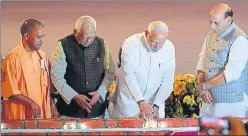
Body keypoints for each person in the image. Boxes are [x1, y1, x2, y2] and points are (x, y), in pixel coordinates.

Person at [51, 15, 115, 118]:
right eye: (85, 38)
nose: (89, 41)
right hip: (70, 112)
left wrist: (100, 92)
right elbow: (56, 77)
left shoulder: (101, 44)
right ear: (75, 32)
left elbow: (110, 71)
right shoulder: (62, 45)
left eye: (92, 37)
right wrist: (74, 96)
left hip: (98, 111)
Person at [108, 21, 176, 119]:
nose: (157, 47)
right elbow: (129, 75)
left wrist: (156, 105)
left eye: (162, 43)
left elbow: (167, 81)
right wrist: (141, 101)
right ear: (146, 33)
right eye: (154, 42)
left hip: (154, 103)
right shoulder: (130, 44)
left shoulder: (169, 48)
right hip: (128, 101)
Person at [196, 3, 248, 117]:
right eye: (211, 22)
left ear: (228, 20)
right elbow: (203, 59)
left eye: (216, 23)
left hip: (231, 103)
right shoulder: (211, 34)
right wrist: (202, 86)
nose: (212, 27)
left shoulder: (240, 39)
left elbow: (231, 74)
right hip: (208, 99)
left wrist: (205, 86)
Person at [1, 19, 56, 120]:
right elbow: (10, 93)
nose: (42, 40)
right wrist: (31, 103)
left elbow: (48, 86)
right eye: (39, 37)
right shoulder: (11, 59)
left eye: (43, 37)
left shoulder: (42, 56)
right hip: (19, 116)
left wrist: (51, 105)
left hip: (42, 114)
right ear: (26, 36)